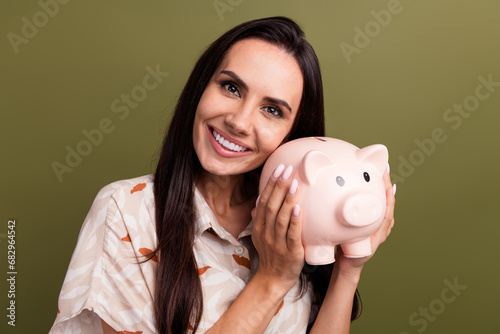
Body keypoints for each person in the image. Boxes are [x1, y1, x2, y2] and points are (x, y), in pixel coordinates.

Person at [49, 16, 396, 334]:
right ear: (201, 88)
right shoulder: (125, 211)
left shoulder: (297, 221)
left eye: (272, 110)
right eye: (231, 88)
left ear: (293, 136)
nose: (239, 122)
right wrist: (272, 280)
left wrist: (349, 269)